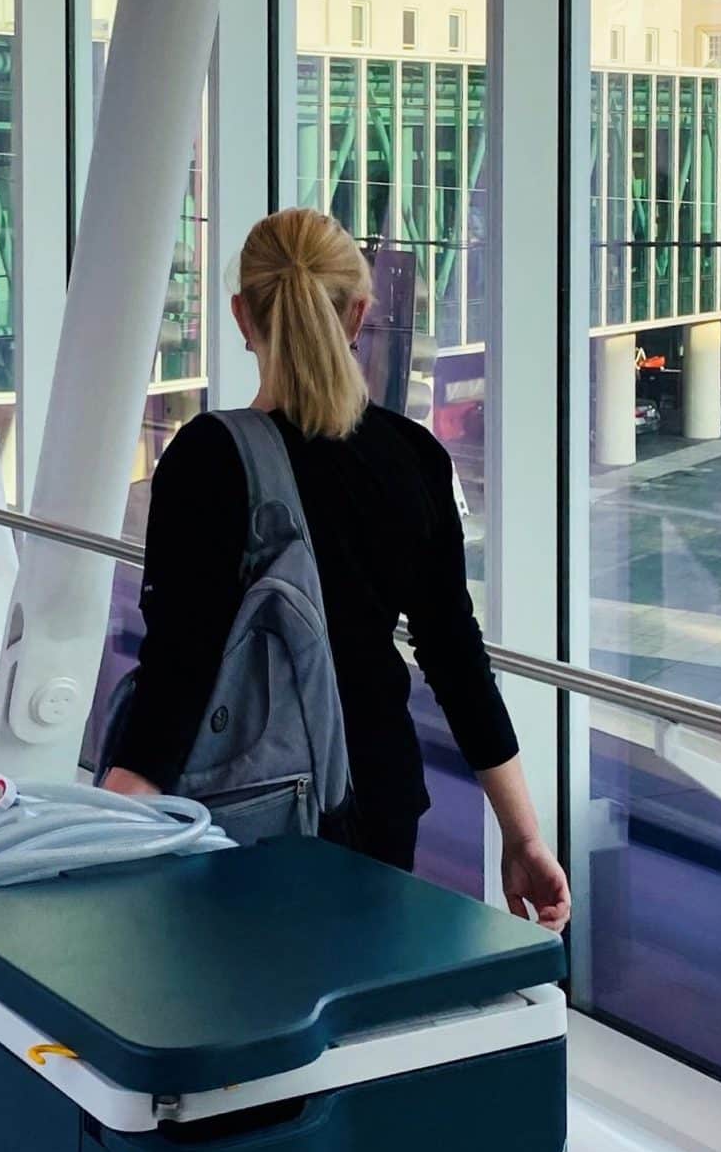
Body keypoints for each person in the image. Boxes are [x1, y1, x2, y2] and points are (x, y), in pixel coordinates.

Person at [102, 207, 571, 935]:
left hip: (243, 818)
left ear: (241, 316)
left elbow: (178, 672)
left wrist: (106, 824)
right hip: (379, 803)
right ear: (357, 314)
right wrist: (523, 835)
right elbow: (454, 656)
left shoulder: (206, 457)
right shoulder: (415, 458)